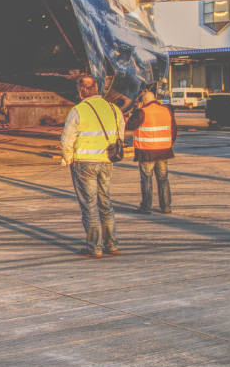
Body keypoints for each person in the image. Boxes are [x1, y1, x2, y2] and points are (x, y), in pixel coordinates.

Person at [60, 74, 125, 258]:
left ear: (81, 91)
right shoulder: (114, 109)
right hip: (107, 161)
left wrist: (68, 157)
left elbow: (67, 139)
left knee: (90, 205)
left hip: (84, 163)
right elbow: (120, 135)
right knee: (106, 203)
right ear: (97, 89)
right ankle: (112, 244)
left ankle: (94, 247)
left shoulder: (78, 110)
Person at [126, 89, 177, 214]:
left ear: (144, 101)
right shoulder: (166, 110)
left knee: (146, 179)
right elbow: (174, 130)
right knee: (163, 178)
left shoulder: (142, 112)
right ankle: (166, 206)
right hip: (163, 151)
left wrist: (136, 110)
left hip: (147, 152)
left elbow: (129, 126)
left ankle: (146, 206)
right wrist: (168, 144)